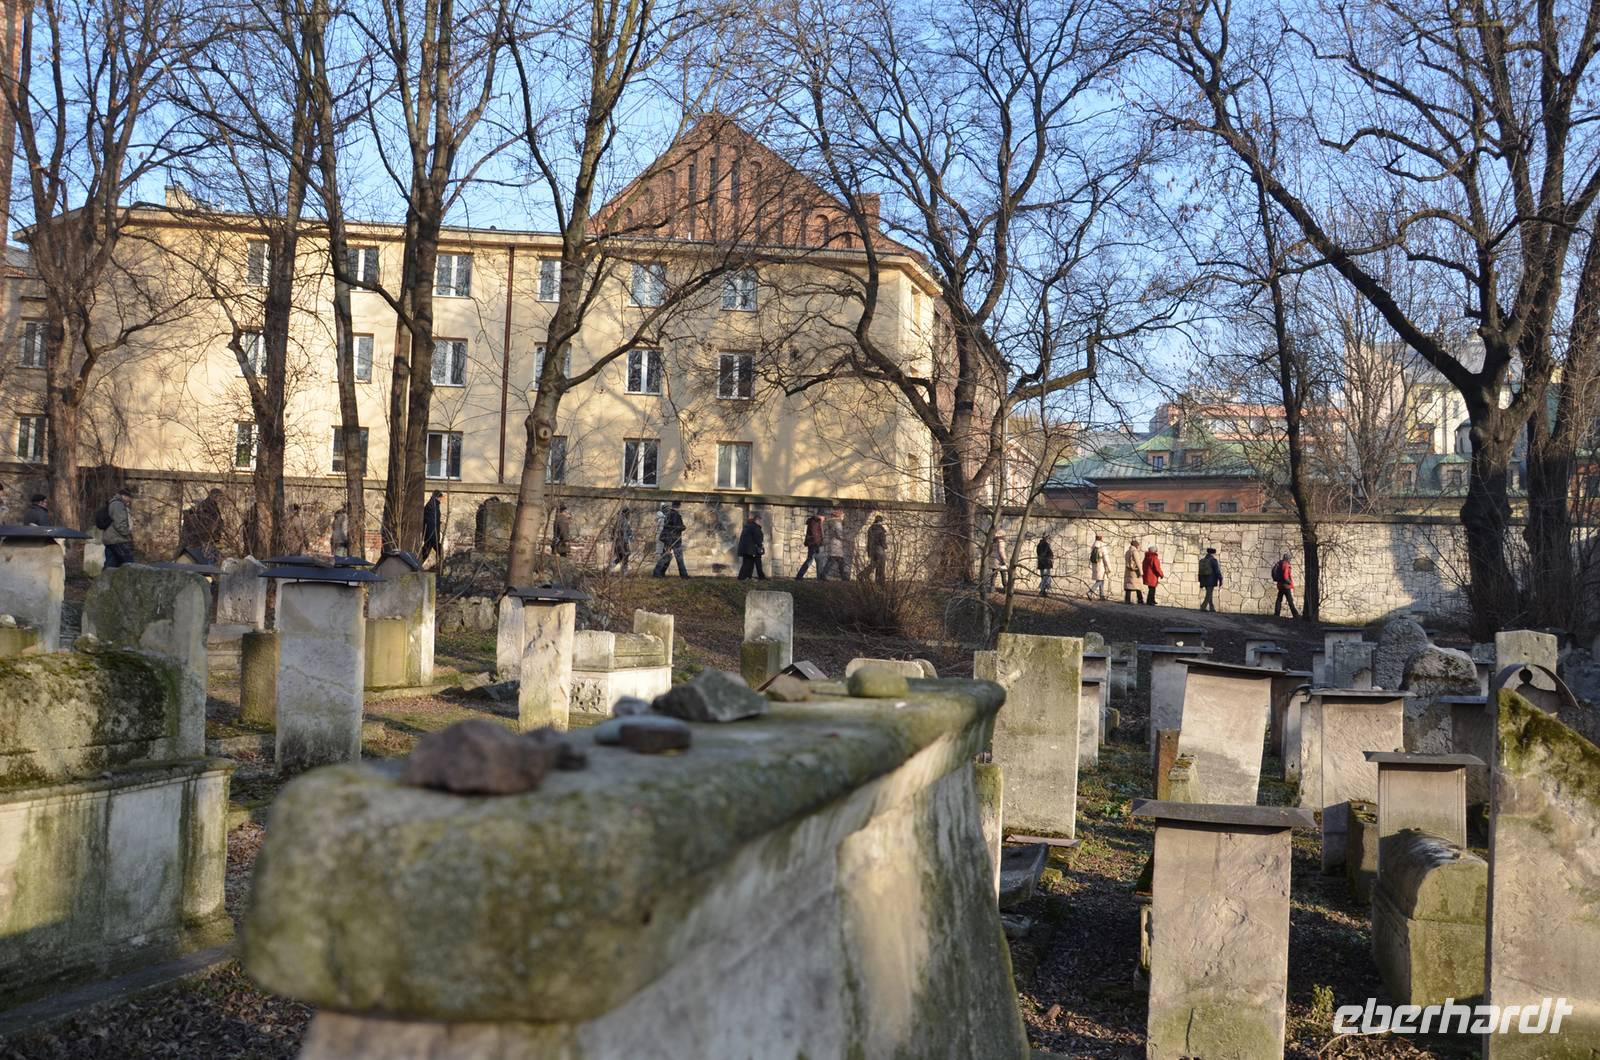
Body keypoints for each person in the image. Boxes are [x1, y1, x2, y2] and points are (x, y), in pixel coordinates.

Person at [652, 500, 689, 577]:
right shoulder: (675, 515)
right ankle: (683, 575)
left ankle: (659, 572)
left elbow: (669, 526)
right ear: (679, 506)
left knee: (667, 557)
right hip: (674, 539)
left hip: (669, 539)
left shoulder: (669, 515)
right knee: (677, 558)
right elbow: (674, 527)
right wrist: (682, 527)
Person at [103, 486, 137, 568]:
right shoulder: (119, 505)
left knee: (111, 566)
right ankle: (131, 580)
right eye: (130, 498)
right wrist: (127, 534)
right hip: (118, 539)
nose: (130, 500)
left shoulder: (113, 503)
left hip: (110, 538)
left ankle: (104, 580)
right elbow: (120, 523)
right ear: (124, 496)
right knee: (130, 564)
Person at [193, 488, 225, 560]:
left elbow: (217, 518)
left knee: (213, 556)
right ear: (214, 496)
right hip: (207, 536)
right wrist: (212, 529)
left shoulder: (213, 505)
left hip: (212, 536)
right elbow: (204, 520)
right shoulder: (206, 505)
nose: (220, 499)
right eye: (219, 496)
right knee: (208, 557)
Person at [796, 509, 826, 579]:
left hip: (815, 544)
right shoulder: (815, 522)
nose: (824, 519)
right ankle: (799, 576)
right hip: (814, 544)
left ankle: (820, 577)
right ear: (820, 516)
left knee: (818, 560)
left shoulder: (816, 521)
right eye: (823, 517)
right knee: (811, 561)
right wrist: (817, 545)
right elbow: (815, 534)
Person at [736, 514, 767, 580]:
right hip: (752, 549)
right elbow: (758, 539)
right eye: (761, 521)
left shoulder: (747, 526)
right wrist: (760, 545)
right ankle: (761, 577)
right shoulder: (755, 527)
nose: (762, 523)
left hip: (746, 549)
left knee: (747, 563)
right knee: (757, 563)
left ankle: (744, 577)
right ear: (757, 520)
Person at [419, 491, 443, 568]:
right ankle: (441, 565)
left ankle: (417, 565)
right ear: (437, 497)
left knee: (426, 551)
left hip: (431, 533)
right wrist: (433, 534)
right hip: (431, 533)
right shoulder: (432, 506)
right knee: (437, 550)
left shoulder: (433, 505)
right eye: (440, 498)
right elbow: (431, 521)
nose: (441, 499)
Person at [821, 509, 848, 580]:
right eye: (842, 515)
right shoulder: (838, 523)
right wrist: (844, 539)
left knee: (837, 560)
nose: (843, 517)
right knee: (834, 560)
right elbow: (839, 534)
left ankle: (843, 576)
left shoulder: (832, 522)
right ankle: (824, 575)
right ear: (839, 516)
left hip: (833, 543)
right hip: (837, 544)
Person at [1272, 551, 1300, 618]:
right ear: (1288, 559)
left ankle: (1277, 613)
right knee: (1290, 601)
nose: (1290, 560)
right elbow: (1285, 576)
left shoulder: (1280, 563)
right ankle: (1295, 615)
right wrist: (1290, 582)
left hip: (1280, 585)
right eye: (1290, 559)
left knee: (1279, 599)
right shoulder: (1286, 564)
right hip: (1286, 585)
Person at [1198, 546, 1223, 612]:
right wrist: (1220, 579)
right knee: (1209, 594)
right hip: (1211, 579)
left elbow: (1199, 572)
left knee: (1209, 593)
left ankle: (1212, 607)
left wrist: (1200, 580)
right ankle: (1203, 606)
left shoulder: (1203, 560)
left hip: (1204, 579)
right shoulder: (1213, 560)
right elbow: (1217, 571)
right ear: (1213, 553)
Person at [865, 514, 888, 584]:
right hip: (879, 548)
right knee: (881, 565)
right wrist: (885, 546)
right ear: (880, 521)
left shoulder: (870, 529)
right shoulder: (881, 529)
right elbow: (882, 541)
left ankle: (863, 574)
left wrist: (869, 551)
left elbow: (869, 541)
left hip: (872, 549)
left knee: (874, 564)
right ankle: (880, 581)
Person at [609, 507, 634, 573]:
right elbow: (619, 531)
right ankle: (623, 570)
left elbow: (628, 531)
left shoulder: (624, 520)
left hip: (622, 541)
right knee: (625, 554)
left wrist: (630, 536)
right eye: (628, 513)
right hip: (621, 541)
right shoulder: (622, 520)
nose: (629, 515)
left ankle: (612, 566)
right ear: (626, 513)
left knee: (622, 555)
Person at [1088, 533, 1108, 600]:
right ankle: (1090, 592)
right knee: (1099, 580)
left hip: (1095, 564)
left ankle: (1102, 596)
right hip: (1101, 565)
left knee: (1101, 579)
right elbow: (1106, 557)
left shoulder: (1094, 545)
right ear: (1101, 537)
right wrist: (1109, 567)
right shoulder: (1102, 545)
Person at [1123, 538, 1142, 604]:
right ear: (1136, 545)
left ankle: (1127, 600)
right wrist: (1141, 572)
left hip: (1128, 570)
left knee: (1128, 585)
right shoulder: (1135, 552)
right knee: (1137, 585)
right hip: (1134, 571)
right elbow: (1138, 562)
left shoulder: (1127, 552)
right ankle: (1140, 600)